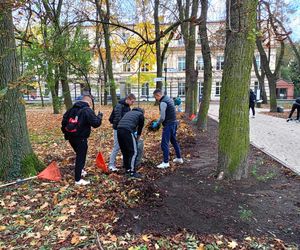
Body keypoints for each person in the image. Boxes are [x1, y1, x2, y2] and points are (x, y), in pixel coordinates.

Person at [61, 94, 103, 185]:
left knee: (80, 154)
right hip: (80, 138)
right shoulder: (87, 110)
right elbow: (95, 123)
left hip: (71, 137)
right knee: (81, 157)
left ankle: (80, 171)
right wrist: (99, 116)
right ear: (90, 102)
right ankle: (78, 179)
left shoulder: (71, 109)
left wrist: (66, 133)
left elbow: (64, 122)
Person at [152, 89, 183, 169]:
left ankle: (165, 162)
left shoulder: (163, 102)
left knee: (164, 144)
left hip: (169, 125)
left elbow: (162, 117)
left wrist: (157, 123)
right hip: (174, 123)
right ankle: (179, 158)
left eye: (155, 97)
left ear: (158, 95)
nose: (156, 99)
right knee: (173, 141)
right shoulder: (168, 99)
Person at [108, 93, 136, 171]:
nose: (133, 103)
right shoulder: (119, 106)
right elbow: (117, 119)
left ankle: (125, 164)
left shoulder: (127, 107)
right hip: (118, 129)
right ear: (128, 99)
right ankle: (111, 164)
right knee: (117, 146)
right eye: (132, 101)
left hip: (124, 130)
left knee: (125, 146)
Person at [117, 107, 145, 179]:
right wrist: (138, 137)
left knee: (125, 151)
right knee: (134, 152)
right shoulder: (140, 115)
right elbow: (140, 128)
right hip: (127, 131)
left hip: (119, 130)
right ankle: (132, 172)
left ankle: (127, 169)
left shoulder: (128, 113)